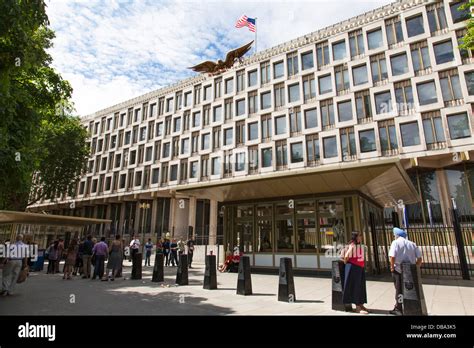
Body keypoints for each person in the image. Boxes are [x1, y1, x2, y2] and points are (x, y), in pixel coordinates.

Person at [389, 227, 422, 316]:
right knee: (410, 289)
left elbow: (392, 256)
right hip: (410, 270)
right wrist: (415, 266)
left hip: (398, 270)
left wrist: (392, 267)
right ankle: (411, 307)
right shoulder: (412, 244)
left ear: (396, 235)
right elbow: (419, 258)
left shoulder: (395, 243)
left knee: (399, 290)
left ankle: (399, 308)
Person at [342, 231, 369, 314]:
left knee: (361, 286)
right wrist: (346, 262)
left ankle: (361, 304)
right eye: (359, 236)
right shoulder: (353, 245)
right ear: (356, 237)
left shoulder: (358, 245)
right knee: (356, 287)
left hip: (359, 268)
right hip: (354, 268)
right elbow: (346, 256)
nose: (361, 237)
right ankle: (357, 307)